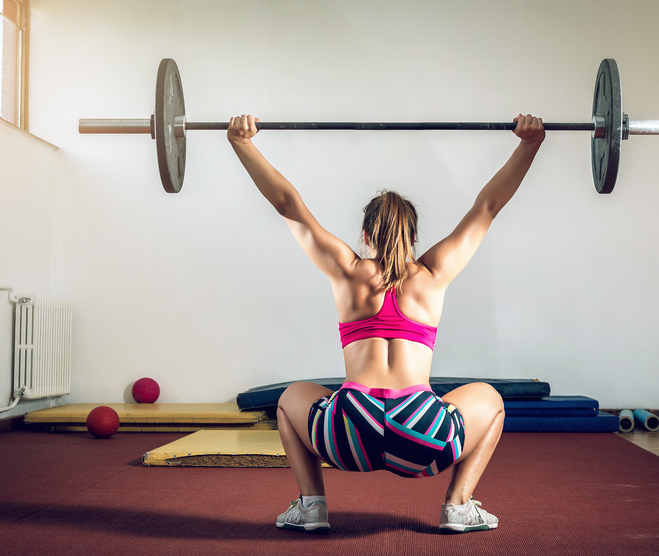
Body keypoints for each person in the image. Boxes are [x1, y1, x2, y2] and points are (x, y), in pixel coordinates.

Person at [227, 113, 545, 534]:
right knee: (492, 401)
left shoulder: (347, 270)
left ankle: (312, 506)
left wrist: (242, 144)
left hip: (348, 432)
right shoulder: (434, 274)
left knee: (289, 399)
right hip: (422, 434)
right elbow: (488, 206)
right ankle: (457, 506)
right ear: (413, 236)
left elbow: (288, 205)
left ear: (365, 233)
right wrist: (529, 145)